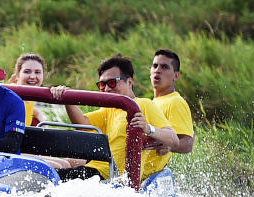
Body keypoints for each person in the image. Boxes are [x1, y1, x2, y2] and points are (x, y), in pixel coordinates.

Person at [50, 53, 179, 182]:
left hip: (112, 177)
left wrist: (147, 128)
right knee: (47, 174)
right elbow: (81, 122)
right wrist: (66, 98)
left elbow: (174, 139)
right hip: (95, 170)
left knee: (52, 178)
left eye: (112, 83)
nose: (106, 89)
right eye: (102, 85)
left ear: (129, 82)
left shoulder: (143, 105)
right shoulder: (109, 110)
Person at [7, 53, 71, 169]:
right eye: (27, 72)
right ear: (17, 75)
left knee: (65, 164)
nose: (32, 76)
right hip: (6, 151)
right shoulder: (11, 95)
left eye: (37, 72)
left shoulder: (28, 96)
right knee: (60, 166)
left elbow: (31, 110)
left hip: (18, 149)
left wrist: (41, 118)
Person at [150, 48, 195, 154]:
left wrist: (170, 146)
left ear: (176, 76)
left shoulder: (175, 102)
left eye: (165, 67)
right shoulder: (151, 102)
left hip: (157, 170)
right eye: (155, 66)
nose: (158, 70)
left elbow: (188, 143)